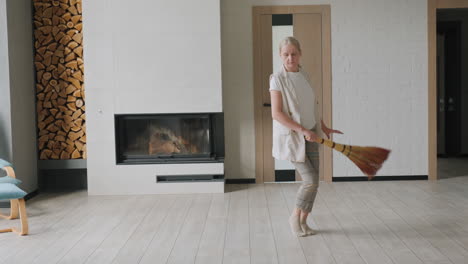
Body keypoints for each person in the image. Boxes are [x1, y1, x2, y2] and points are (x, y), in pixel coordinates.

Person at [269, 36, 343, 237]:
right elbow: (277, 113)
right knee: (309, 180)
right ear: (280, 56)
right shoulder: (276, 79)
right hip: (295, 137)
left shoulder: (304, 75)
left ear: (300, 54)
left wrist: (323, 127)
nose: (290, 58)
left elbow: (311, 106)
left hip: (312, 133)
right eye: (286, 54)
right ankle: (294, 217)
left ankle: (303, 222)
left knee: (315, 182)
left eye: (294, 54)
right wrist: (303, 131)